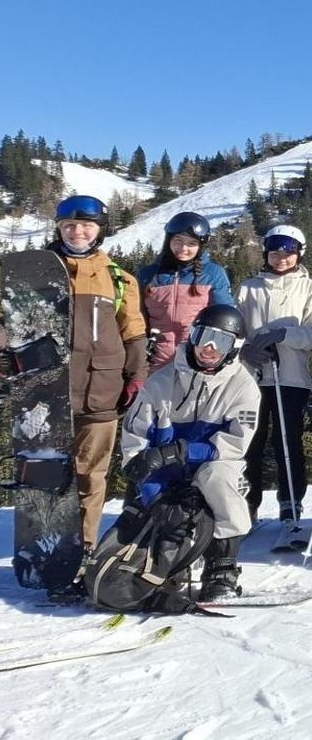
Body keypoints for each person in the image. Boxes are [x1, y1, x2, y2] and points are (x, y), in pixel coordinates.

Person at [119, 303, 260, 601]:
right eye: (203, 335)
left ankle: (222, 567)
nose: (208, 347)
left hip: (209, 465)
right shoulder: (161, 383)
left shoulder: (243, 387)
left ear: (233, 347)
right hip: (163, 472)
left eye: (219, 341)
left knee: (219, 478)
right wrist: (155, 496)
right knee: (150, 501)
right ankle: (155, 563)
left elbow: (232, 445)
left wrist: (176, 452)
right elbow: (135, 443)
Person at [45, 196, 149, 571]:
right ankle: (48, 544)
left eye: (86, 225)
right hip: (47, 393)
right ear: (59, 228)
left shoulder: (119, 278)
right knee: (48, 475)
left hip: (102, 391)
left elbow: (134, 332)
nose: (77, 232)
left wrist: (136, 377)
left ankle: (84, 547)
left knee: (92, 475)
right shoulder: (38, 272)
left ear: (99, 230)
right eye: (69, 225)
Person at [235, 224, 312, 526]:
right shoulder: (250, 287)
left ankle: (291, 501)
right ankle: (248, 503)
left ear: (300, 254)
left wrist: (282, 334)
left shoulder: (310, 288)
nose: (281, 259)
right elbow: (236, 328)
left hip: (291, 376)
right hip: (252, 377)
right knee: (250, 441)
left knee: (288, 440)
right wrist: (244, 350)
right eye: (275, 253)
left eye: (288, 254)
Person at [137, 211, 235, 382]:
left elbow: (224, 319)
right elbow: (138, 317)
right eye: (178, 241)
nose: (183, 248)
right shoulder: (149, 275)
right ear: (168, 241)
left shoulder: (213, 274)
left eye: (191, 243)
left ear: (200, 246)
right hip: (156, 359)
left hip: (196, 358)